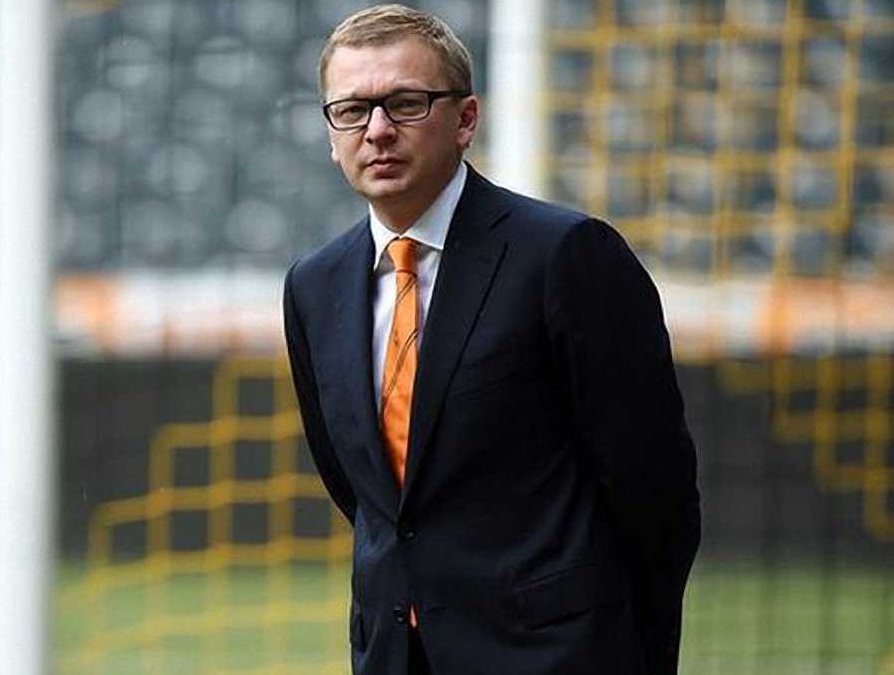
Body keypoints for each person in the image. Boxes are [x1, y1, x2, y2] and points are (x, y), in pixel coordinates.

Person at [282, 5, 701, 675]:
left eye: (406, 104)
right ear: (332, 134)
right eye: (352, 110)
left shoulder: (566, 255)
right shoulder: (313, 285)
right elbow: (366, 495)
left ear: (466, 119)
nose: (378, 130)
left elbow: (655, 489)